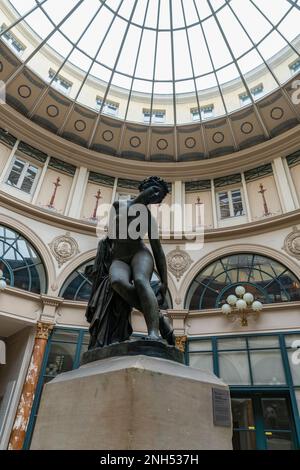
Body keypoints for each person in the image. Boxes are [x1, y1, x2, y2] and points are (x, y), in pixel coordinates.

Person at [85, 176, 174, 349]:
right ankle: (161, 320)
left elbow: (158, 252)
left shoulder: (149, 220)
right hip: (119, 257)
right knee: (117, 281)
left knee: (141, 281)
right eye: (155, 190)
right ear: (144, 188)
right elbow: (111, 234)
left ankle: (154, 332)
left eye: (159, 196)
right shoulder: (118, 205)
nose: (156, 196)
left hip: (139, 254)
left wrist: (164, 282)